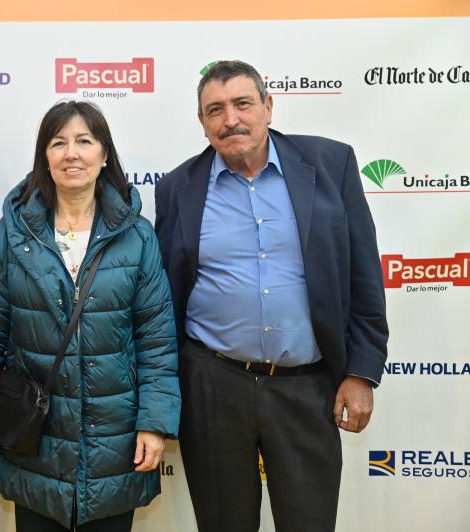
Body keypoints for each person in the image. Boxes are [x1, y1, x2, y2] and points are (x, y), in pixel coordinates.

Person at [154, 60, 388, 532]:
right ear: (201, 122)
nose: (230, 120)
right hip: (212, 386)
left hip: (308, 387)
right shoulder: (177, 187)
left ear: (268, 106)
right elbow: (167, 295)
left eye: (242, 103)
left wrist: (362, 371)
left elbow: (363, 274)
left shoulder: (330, 164)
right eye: (214, 110)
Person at [0, 100, 180, 531]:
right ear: (44, 157)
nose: (72, 153)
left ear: (104, 155)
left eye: (84, 141)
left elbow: (156, 340)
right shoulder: (13, 234)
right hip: (36, 442)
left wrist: (155, 423)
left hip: (115, 440)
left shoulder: (137, 235)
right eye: (58, 143)